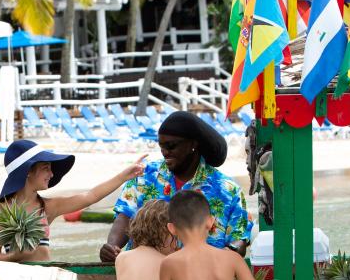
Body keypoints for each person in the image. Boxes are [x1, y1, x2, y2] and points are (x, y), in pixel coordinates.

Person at [100, 111, 251, 262]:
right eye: (161, 147)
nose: (165, 152)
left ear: (193, 144)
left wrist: (223, 256)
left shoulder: (228, 190)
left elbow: (239, 240)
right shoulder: (145, 175)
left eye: (171, 146)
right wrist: (112, 247)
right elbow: (125, 216)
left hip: (200, 278)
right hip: (146, 274)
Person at [0, 139, 145, 263]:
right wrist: (14, 256)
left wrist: (124, 176)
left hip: (46, 278)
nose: (52, 174)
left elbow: (90, 196)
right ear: (28, 171)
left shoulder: (48, 207)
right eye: (46, 168)